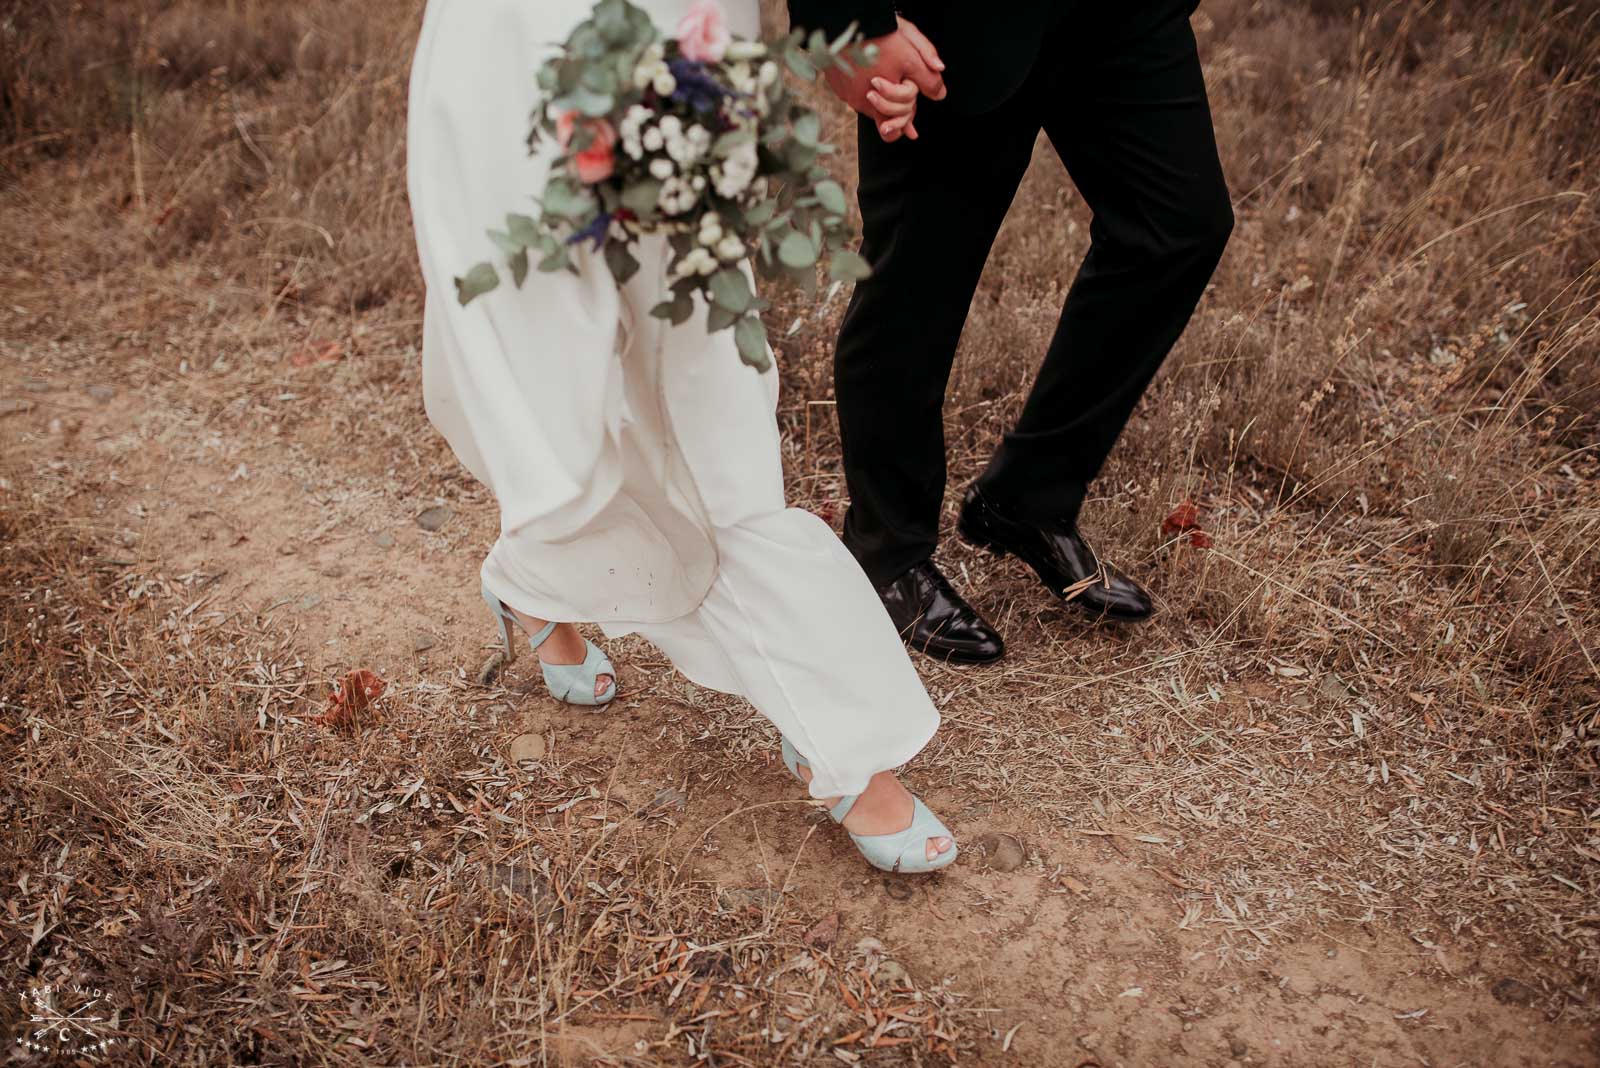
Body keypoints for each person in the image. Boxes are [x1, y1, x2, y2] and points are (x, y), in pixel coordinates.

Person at [406, 0, 957, 872]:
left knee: (701, 389)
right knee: (543, 360)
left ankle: (833, 729)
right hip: (513, 40)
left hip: (671, 38)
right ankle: (537, 572)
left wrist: (844, 16)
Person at [790, 0, 1234, 662]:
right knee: (919, 276)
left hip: (1122, 12)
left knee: (1180, 227)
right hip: (959, 21)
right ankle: (887, 553)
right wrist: (846, 23)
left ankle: (1027, 498)